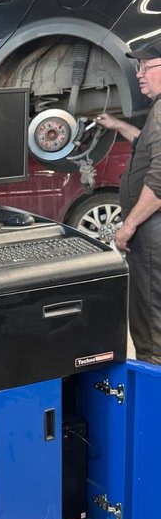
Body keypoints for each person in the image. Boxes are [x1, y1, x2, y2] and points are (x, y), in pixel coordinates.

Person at [97, 40, 161, 364]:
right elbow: (147, 146)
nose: (139, 74)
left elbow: (160, 181)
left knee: (150, 321)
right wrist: (118, 124)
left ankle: (153, 384)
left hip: (153, 234)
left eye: (145, 67)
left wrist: (129, 225)